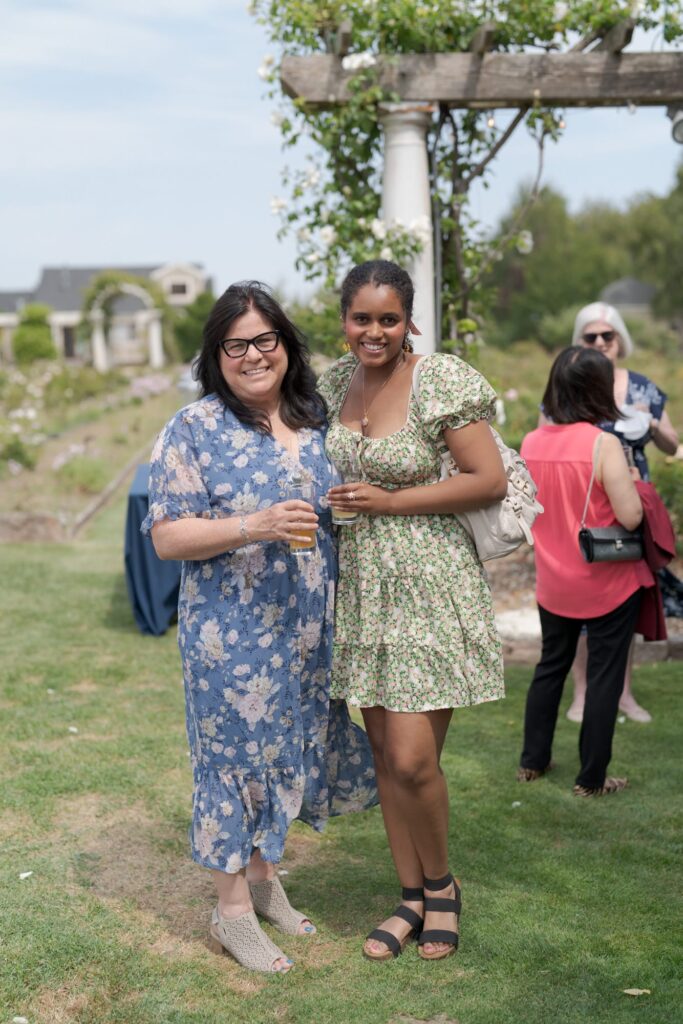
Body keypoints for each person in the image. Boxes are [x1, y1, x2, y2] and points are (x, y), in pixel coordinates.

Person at [142, 281, 376, 974]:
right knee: (233, 764)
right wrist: (254, 525)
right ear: (215, 355)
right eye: (234, 344)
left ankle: (266, 882)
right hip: (230, 635)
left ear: (285, 344)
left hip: (306, 629)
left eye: (263, 340)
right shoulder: (193, 429)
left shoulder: (314, 420)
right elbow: (166, 537)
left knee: (287, 753)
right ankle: (231, 912)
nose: (251, 355)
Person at [317, 259, 507, 963]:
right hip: (362, 584)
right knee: (380, 755)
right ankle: (406, 899)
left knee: (413, 758)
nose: (373, 331)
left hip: (429, 585)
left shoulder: (439, 379)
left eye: (387, 319)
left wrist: (391, 500)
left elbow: (484, 480)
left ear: (407, 321)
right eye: (361, 318)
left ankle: (442, 887)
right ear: (344, 318)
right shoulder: (333, 381)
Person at [518, 346, 654, 796]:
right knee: (604, 677)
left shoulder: (533, 441)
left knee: (550, 667)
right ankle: (591, 779)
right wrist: (633, 481)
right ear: (599, 390)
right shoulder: (603, 443)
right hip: (605, 582)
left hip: (552, 580)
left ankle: (532, 762)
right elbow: (631, 517)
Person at [564, 302, 679, 724]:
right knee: (579, 599)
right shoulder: (572, 386)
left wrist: (652, 424)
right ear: (580, 342)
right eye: (590, 337)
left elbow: (671, 444)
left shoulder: (643, 388)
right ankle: (582, 693)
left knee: (626, 599)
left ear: (620, 341)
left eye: (606, 336)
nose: (599, 343)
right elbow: (546, 432)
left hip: (631, 503)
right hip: (583, 503)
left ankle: (625, 695)